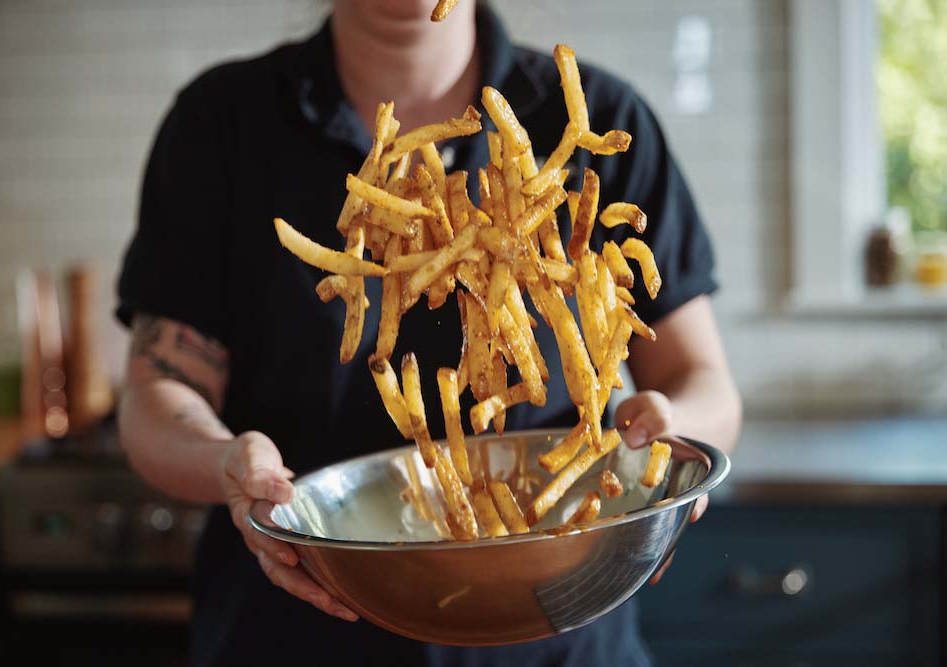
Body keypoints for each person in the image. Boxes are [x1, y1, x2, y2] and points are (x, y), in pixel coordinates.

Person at [116, 1, 742, 665]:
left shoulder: (596, 116)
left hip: (558, 631)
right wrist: (225, 461)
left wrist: (674, 432)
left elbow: (703, 383)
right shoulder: (222, 124)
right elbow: (158, 394)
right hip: (292, 632)